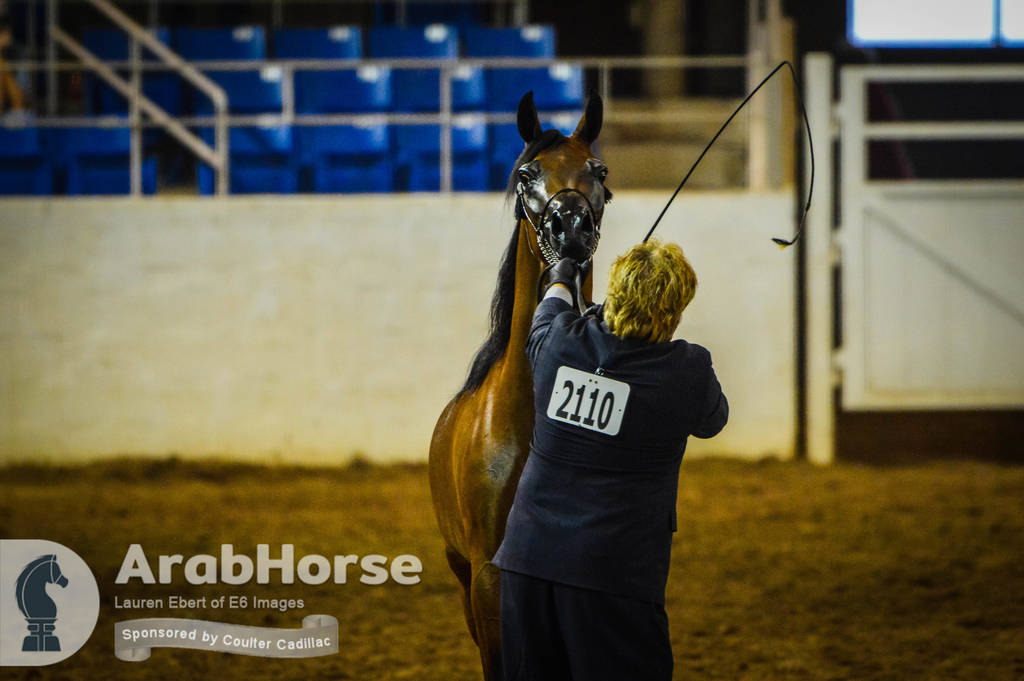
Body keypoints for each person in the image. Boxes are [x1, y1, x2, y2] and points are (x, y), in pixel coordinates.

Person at [493, 239, 728, 681]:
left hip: (528, 563)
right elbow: (713, 421)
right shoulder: (688, 370)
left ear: (614, 294)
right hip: (614, 577)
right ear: (674, 312)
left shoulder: (558, 342)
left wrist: (564, 275)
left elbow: (552, 302)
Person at [0, 9, 26, 114]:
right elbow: (17, 99)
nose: (10, 38)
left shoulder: (6, 59)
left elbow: (18, 98)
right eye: (6, 34)